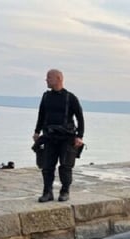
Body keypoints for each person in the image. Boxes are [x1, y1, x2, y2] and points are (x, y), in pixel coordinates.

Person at [32, 69, 85, 202]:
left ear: (58, 78)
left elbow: (80, 118)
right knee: (47, 166)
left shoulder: (70, 98)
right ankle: (47, 192)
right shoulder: (46, 97)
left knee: (66, 166)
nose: (46, 80)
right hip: (49, 137)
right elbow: (41, 115)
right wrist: (37, 132)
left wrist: (80, 136)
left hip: (67, 138)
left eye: (49, 78)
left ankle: (65, 191)